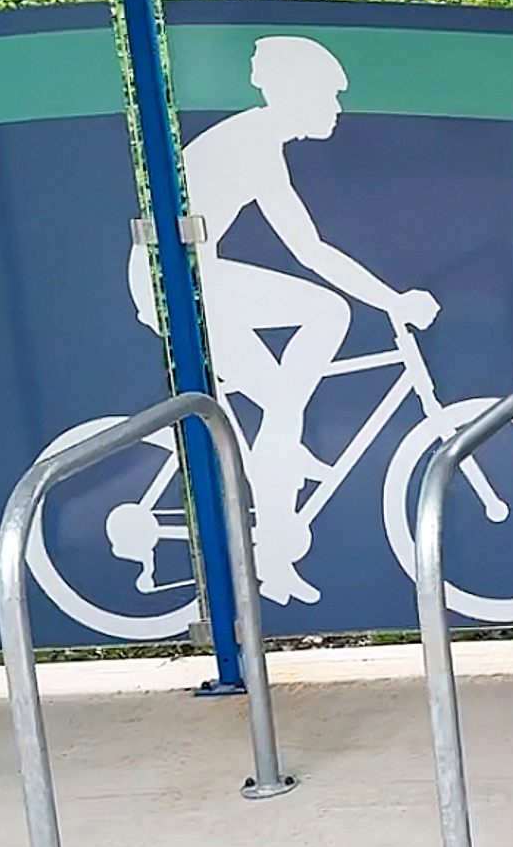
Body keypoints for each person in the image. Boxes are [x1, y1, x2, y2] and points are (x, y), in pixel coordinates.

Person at [127, 35, 439, 605]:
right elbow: (310, 250)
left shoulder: (258, 140)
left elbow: (307, 246)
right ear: (298, 94)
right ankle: (282, 450)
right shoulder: (252, 143)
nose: (339, 110)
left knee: (281, 405)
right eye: (330, 96)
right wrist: (393, 301)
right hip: (177, 283)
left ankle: (275, 538)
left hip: (196, 279)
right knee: (323, 314)